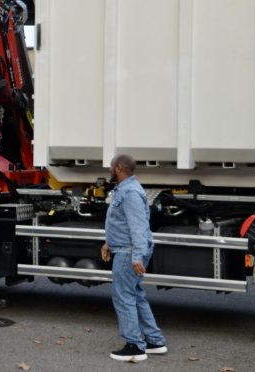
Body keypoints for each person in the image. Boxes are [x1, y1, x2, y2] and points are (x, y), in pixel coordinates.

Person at [100, 154, 168, 362]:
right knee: (135, 295)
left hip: (129, 252)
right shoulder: (126, 189)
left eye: (112, 166)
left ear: (119, 167)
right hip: (125, 248)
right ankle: (155, 341)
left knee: (123, 297)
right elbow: (121, 223)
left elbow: (138, 227)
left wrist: (136, 256)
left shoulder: (129, 192)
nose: (110, 170)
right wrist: (108, 243)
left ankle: (135, 347)